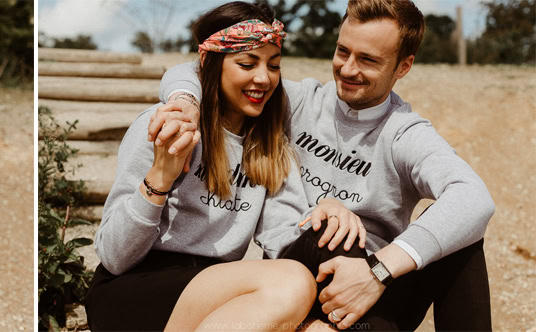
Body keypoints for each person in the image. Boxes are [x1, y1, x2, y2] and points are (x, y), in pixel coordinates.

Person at [150, 0, 495, 330]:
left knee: (463, 241)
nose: (347, 69)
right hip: (299, 271)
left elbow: (473, 198)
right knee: (333, 233)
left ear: (403, 66)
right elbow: (194, 68)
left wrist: (378, 272)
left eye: (368, 60)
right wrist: (185, 101)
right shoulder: (297, 102)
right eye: (343, 51)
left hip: (374, 285)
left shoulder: (405, 133)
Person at [84, 3, 365, 331]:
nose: (263, 78)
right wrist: (159, 178)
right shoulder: (165, 125)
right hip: (133, 290)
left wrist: (325, 210)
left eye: (273, 65)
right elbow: (114, 256)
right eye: (247, 63)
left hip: (215, 292)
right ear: (210, 62)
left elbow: (282, 237)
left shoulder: (272, 150)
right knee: (293, 283)